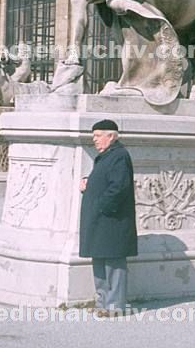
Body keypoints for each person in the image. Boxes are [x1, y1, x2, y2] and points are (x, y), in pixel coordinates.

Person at [79, 119, 138, 316]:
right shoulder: (105, 156)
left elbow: (119, 187)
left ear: (111, 136)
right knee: (100, 261)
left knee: (114, 263)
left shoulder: (119, 156)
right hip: (101, 220)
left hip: (112, 220)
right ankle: (102, 303)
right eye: (93, 136)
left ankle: (115, 306)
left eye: (97, 136)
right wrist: (88, 182)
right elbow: (105, 181)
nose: (94, 140)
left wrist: (101, 206)